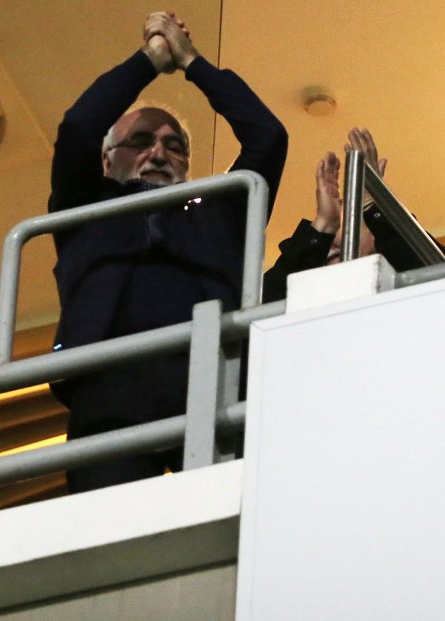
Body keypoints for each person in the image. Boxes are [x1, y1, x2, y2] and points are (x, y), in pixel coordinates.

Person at [48, 12, 288, 492]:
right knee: (109, 525)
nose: (158, 154)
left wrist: (193, 63)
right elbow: (78, 128)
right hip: (109, 388)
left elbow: (268, 137)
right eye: (140, 141)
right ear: (106, 160)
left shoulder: (218, 213)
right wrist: (151, 60)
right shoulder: (85, 206)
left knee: (224, 520)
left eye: (174, 147)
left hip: (211, 383)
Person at [264, 128, 443, 302]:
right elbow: (266, 304)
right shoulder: (314, 303)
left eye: (337, 252)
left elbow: (435, 273)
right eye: (327, 253)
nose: (327, 249)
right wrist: (323, 225)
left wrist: (371, 204)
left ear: (376, 245)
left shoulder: (407, 295)